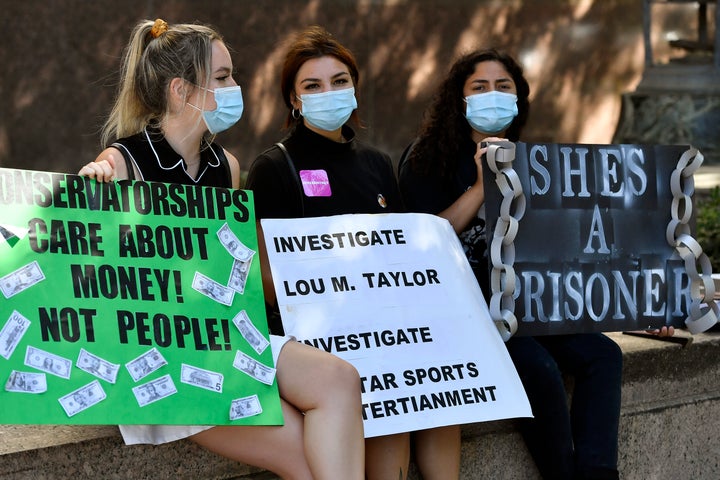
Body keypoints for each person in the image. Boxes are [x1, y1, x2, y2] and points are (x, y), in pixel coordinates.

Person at [78, 18, 364, 480]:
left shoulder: (226, 166)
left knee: (340, 379)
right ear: (181, 91)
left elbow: (229, 269)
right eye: (224, 77)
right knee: (304, 457)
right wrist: (91, 196)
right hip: (161, 357)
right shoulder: (121, 161)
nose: (237, 87)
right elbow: (90, 275)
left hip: (220, 338)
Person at [397, 48, 674, 480]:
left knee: (603, 354)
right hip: (467, 310)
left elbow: (576, 250)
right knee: (539, 369)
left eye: (503, 87)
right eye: (480, 87)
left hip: (531, 306)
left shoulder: (535, 163)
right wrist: (482, 182)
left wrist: (640, 304)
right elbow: (423, 241)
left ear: (518, 98)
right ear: (460, 99)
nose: (493, 95)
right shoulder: (424, 159)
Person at [245, 25, 459, 480]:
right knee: (378, 391)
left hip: (384, 329)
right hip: (318, 338)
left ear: (355, 88)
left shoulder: (378, 165)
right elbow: (262, 274)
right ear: (294, 99)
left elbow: (402, 258)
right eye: (313, 85)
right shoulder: (273, 167)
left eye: (339, 81)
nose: (329, 92)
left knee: (439, 386)